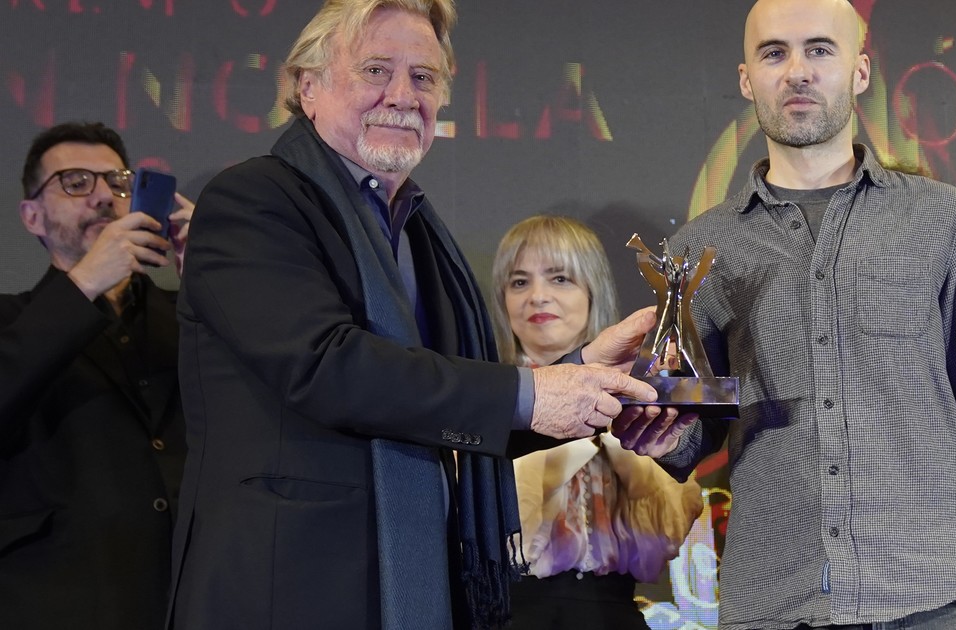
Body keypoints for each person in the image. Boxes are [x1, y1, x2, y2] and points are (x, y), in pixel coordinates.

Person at [166, 2, 660, 629]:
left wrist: (581, 373)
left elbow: (446, 410)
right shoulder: (251, 200)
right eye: (375, 70)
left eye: (423, 77)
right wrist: (532, 394)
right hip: (285, 590)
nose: (402, 95)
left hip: (411, 586)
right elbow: (326, 366)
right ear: (307, 87)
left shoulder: (419, 233)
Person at [612, 0, 956, 629]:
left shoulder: (939, 218)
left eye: (820, 49)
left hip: (939, 599)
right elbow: (698, 424)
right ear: (746, 78)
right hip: (776, 604)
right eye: (774, 53)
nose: (797, 70)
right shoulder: (700, 249)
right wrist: (665, 431)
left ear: (860, 71)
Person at [0, 121, 193, 629]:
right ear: (32, 216)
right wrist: (85, 283)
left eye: (120, 182)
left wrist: (214, 281)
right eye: (76, 182)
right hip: (61, 600)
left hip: (196, 599)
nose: (105, 196)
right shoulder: (13, 322)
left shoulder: (190, 316)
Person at [490, 215, 703, 629]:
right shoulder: (478, 408)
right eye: (519, 282)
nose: (537, 297)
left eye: (559, 278)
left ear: (592, 289)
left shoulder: (641, 396)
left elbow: (672, 527)